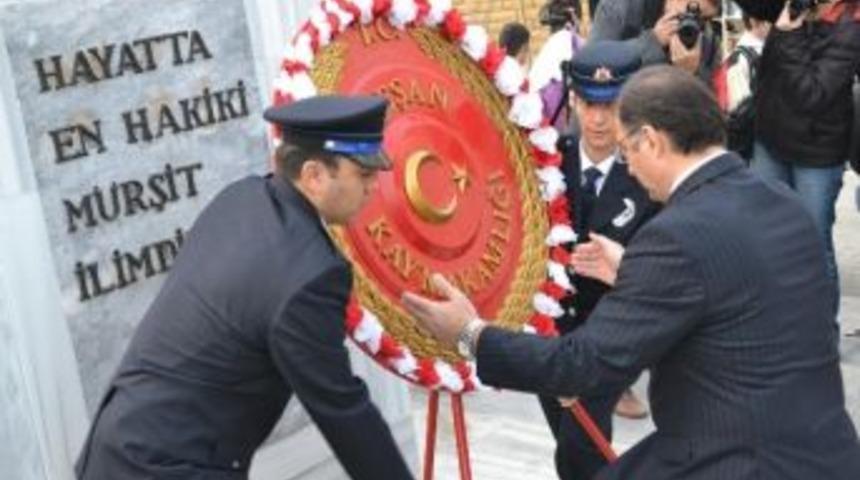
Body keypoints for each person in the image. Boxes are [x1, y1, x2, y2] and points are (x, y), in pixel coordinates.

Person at [402, 66, 860, 480]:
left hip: (736, 460)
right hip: (826, 449)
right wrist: (633, 275)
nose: (629, 167)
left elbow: (581, 366)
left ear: (652, 142)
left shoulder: (675, 237)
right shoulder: (781, 201)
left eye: (626, 150)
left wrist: (470, 334)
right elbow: (740, 295)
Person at [75, 95, 415, 480]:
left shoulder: (242, 198)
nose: (374, 187)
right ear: (314, 175)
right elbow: (343, 410)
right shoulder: (309, 275)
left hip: (119, 446)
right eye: (364, 174)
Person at [543, 40, 658, 480]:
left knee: (581, 449)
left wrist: (624, 263)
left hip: (611, 333)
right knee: (570, 442)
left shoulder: (647, 173)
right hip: (551, 331)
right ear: (572, 99)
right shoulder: (548, 159)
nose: (596, 119)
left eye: (609, 106)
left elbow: (667, 258)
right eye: (587, 103)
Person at [752, 0, 860, 328]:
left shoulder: (851, 25)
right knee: (766, 238)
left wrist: (787, 35)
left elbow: (812, 93)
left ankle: (821, 333)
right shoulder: (795, 7)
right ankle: (775, 325)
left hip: (817, 155)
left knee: (813, 244)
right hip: (770, 140)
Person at [590, 0, 721, 81]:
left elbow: (711, 108)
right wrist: (652, 41)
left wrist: (691, 75)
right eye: (689, 13)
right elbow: (592, 65)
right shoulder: (623, 7)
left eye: (704, 19)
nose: (693, 22)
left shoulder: (706, 38)